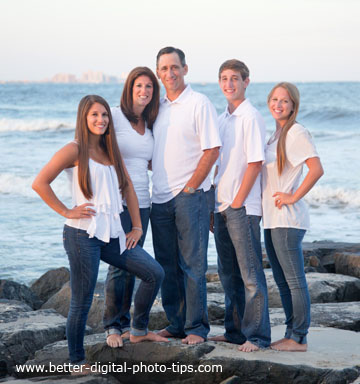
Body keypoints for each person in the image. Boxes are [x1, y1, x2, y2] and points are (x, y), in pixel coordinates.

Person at [32, 95, 167, 373]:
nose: (101, 120)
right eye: (94, 115)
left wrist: (137, 226)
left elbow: (128, 187)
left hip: (113, 233)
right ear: (84, 118)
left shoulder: (110, 149)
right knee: (81, 302)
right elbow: (40, 183)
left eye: (104, 115)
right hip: (82, 236)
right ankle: (77, 361)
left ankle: (138, 328)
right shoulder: (74, 149)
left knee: (154, 272)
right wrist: (67, 211)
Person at [151, 46, 221, 345]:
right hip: (160, 197)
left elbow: (212, 148)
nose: (170, 73)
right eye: (164, 68)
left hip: (190, 195)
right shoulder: (157, 106)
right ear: (158, 73)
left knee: (193, 265)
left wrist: (192, 186)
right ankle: (176, 323)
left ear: (185, 69)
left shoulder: (199, 103)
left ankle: (196, 328)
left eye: (175, 67)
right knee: (166, 265)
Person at [209, 59, 271, 352]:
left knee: (250, 275)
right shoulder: (222, 119)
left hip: (242, 208)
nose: (229, 84)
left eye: (235, 78)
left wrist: (236, 202)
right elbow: (217, 165)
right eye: (224, 78)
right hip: (221, 206)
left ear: (246, 81)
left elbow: (255, 162)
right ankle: (234, 331)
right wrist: (215, 204)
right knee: (228, 273)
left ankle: (257, 336)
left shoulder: (251, 117)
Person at [262, 82, 323, 352]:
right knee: (282, 280)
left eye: (284, 101)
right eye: (274, 99)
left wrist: (292, 196)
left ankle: (299, 337)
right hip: (272, 219)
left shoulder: (297, 132)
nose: (278, 104)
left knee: (294, 281)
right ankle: (291, 333)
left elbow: (316, 169)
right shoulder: (275, 136)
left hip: (288, 220)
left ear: (293, 105)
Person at [103, 67, 160, 349]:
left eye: (149, 86)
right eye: (139, 85)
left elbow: (147, 161)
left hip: (144, 203)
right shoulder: (114, 115)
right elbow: (98, 147)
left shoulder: (149, 122)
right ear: (130, 88)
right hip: (118, 201)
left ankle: (127, 323)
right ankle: (113, 325)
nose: (144, 91)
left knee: (133, 264)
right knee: (119, 264)